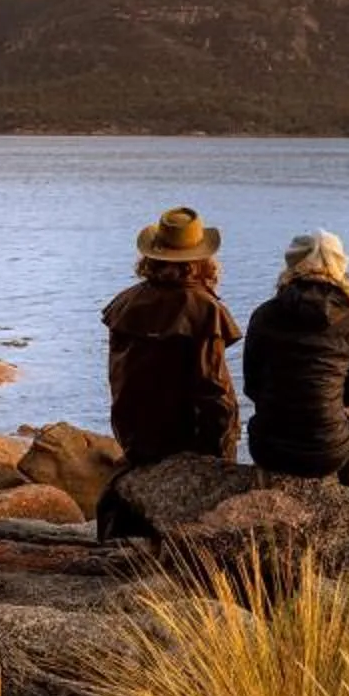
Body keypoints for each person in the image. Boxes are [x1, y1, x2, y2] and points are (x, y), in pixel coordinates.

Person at [99, 208, 242, 533]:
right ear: (202, 261)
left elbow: (120, 378)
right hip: (185, 443)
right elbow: (214, 393)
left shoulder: (126, 302)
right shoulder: (204, 310)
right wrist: (223, 456)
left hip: (137, 438)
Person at [242, 230, 349, 485]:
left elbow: (251, 387)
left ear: (292, 265)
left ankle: (263, 487)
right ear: (339, 267)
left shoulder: (264, 314)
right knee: (347, 421)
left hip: (270, 451)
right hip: (329, 455)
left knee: (263, 419)